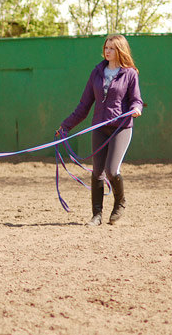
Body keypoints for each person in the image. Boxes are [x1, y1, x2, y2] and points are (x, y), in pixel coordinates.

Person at [59, 34, 143, 226]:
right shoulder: (97, 72)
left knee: (112, 171)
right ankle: (96, 215)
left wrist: (136, 109)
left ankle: (120, 202)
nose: (107, 51)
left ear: (120, 50)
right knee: (97, 172)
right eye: (106, 47)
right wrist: (65, 126)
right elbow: (84, 105)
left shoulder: (129, 74)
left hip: (121, 128)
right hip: (99, 127)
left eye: (112, 48)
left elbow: (136, 99)